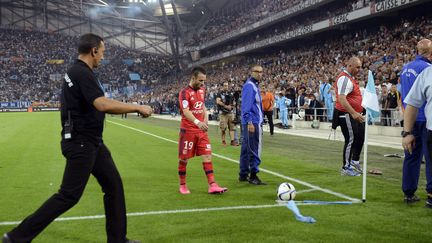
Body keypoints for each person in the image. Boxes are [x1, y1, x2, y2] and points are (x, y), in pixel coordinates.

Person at [2, 33, 152, 243]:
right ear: (94, 51)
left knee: (114, 186)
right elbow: (102, 104)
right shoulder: (82, 73)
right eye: (102, 52)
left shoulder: (74, 71)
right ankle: (16, 237)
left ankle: (118, 240)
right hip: (82, 143)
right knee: (68, 195)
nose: (102, 57)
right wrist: (137, 106)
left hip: (90, 142)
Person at [177, 66, 227, 194]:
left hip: (201, 131)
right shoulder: (184, 93)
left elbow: (202, 105)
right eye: (200, 81)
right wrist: (197, 122)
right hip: (188, 131)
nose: (202, 83)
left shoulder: (202, 90)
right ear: (193, 78)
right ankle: (182, 185)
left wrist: (205, 119)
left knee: (207, 155)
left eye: (204, 81)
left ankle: (212, 185)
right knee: (184, 159)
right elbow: (186, 111)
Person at [400, 38, 432, 204]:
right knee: (429, 158)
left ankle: (409, 192)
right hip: (425, 119)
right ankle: (430, 194)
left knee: (411, 156)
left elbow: (402, 95)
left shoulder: (405, 68)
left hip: (409, 119)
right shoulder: (428, 69)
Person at [334, 57, 365, 176]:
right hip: (346, 114)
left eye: (360, 67)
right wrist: (353, 112)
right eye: (357, 67)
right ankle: (346, 167)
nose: (359, 69)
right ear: (350, 65)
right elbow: (341, 98)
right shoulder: (344, 79)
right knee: (350, 140)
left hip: (355, 114)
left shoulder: (351, 79)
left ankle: (354, 161)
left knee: (360, 137)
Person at [239, 65, 266, 185]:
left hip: (251, 121)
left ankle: (243, 174)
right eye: (257, 72)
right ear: (252, 72)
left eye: (261, 72)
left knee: (246, 148)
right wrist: (250, 121)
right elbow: (246, 106)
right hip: (252, 122)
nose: (260, 74)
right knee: (254, 148)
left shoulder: (253, 85)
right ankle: (253, 175)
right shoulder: (250, 86)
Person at [215, 82, 238, 146]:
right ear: (223, 86)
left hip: (230, 113)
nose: (226, 87)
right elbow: (218, 101)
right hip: (223, 113)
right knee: (223, 128)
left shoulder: (231, 93)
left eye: (227, 85)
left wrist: (232, 105)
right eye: (225, 85)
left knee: (232, 128)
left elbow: (234, 102)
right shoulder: (219, 93)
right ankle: (223, 141)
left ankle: (232, 141)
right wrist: (225, 106)